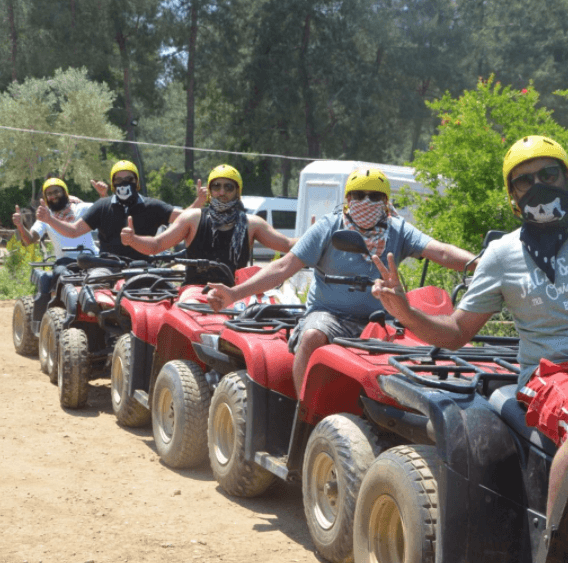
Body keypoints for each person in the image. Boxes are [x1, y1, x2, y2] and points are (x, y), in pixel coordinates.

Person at [206, 166, 478, 396]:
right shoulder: (329, 226)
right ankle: (306, 415)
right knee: (312, 335)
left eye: (375, 196)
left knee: (434, 349)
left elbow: (440, 250)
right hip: (331, 315)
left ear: (386, 201)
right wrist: (234, 293)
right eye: (359, 195)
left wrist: (480, 264)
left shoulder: (398, 230)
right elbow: (285, 265)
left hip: (386, 319)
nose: (367, 202)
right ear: (348, 198)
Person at [372, 134, 568, 449]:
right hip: (548, 377)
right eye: (524, 181)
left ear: (565, 178)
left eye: (548, 174)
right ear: (512, 196)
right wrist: (405, 312)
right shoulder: (503, 254)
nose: (538, 186)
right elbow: (457, 332)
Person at [119, 163, 297, 301]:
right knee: (192, 313)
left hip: (237, 293)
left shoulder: (253, 224)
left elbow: (288, 245)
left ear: (238, 192)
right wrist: (133, 240)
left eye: (228, 187)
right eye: (217, 186)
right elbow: (157, 245)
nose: (222, 192)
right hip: (196, 290)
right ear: (210, 191)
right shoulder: (192, 218)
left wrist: (320, 237)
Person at [36, 160, 182, 261]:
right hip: (107, 269)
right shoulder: (102, 206)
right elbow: (74, 231)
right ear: (113, 184)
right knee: (89, 298)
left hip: (145, 267)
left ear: (136, 182)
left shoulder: (153, 206)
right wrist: (49, 219)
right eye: (118, 180)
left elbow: (186, 218)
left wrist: (163, 242)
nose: (124, 183)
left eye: (129, 178)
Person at [13, 177, 105, 331]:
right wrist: (21, 226)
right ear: (45, 198)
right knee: (61, 275)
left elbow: (104, 210)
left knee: (110, 279)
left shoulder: (81, 209)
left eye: (56, 191)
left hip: (92, 259)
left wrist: (103, 195)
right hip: (65, 262)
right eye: (49, 193)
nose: (53, 195)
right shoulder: (45, 217)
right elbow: (30, 240)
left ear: (65, 192)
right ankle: (58, 313)